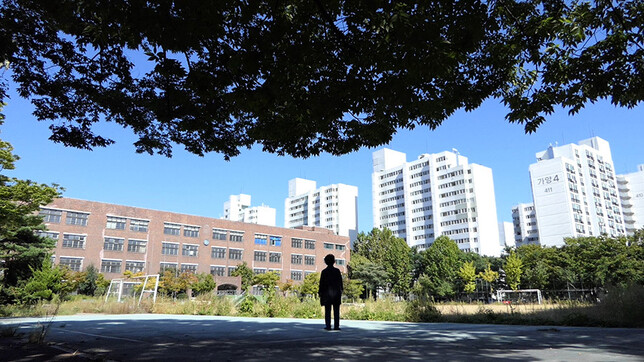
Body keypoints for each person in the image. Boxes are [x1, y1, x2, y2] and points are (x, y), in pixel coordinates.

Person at [319, 253, 343, 330]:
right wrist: (341, 290)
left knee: (327, 311)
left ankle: (328, 325)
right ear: (334, 261)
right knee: (336, 311)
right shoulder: (337, 271)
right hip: (336, 294)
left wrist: (320, 293)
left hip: (327, 294)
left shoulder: (324, 272)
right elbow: (340, 282)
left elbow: (321, 284)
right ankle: (336, 326)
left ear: (325, 262)